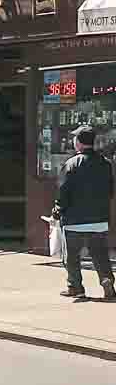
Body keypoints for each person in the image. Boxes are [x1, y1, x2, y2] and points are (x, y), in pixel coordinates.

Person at [55, 125, 115, 302]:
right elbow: (110, 191)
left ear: (79, 142)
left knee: (72, 257)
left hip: (74, 221)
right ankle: (107, 282)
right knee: (100, 255)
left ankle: (76, 287)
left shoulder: (71, 164)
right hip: (99, 220)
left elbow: (63, 192)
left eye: (75, 139)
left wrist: (57, 210)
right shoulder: (105, 163)